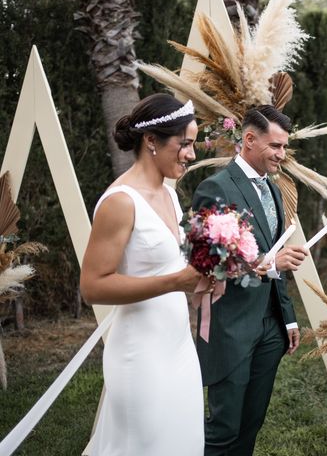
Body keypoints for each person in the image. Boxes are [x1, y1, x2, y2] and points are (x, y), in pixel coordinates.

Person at [80, 94, 205, 455]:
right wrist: (174, 282)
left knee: (184, 443)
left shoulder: (170, 194)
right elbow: (92, 286)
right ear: (151, 141)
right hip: (140, 354)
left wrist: (207, 276)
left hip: (179, 344)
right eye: (184, 144)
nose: (191, 154)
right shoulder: (120, 201)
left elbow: (173, 264)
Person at [192, 105, 308, 455]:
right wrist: (266, 263)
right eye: (275, 146)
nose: (281, 154)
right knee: (224, 429)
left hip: (270, 328)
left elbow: (276, 257)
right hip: (231, 327)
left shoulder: (272, 190)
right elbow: (205, 262)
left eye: (284, 147)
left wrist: (286, 317)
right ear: (249, 139)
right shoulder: (215, 188)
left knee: (251, 424)